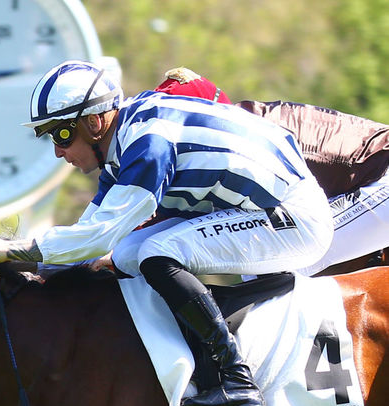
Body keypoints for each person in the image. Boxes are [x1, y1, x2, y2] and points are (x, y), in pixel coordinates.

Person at [0, 61, 334, 406]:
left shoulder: (147, 143)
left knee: (156, 252)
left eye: (62, 133)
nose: (58, 151)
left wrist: (13, 248)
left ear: (94, 122)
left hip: (292, 218)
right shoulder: (118, 145)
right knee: (127, 254)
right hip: (256, 208)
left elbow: (96, 237)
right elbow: (93, 233)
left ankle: (235, 375)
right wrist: (25, 265)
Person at [156, 67, 389, 277]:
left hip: (381, 178)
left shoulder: (235, 142)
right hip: (370, 178)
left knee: (279, 263)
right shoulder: (234, 124)